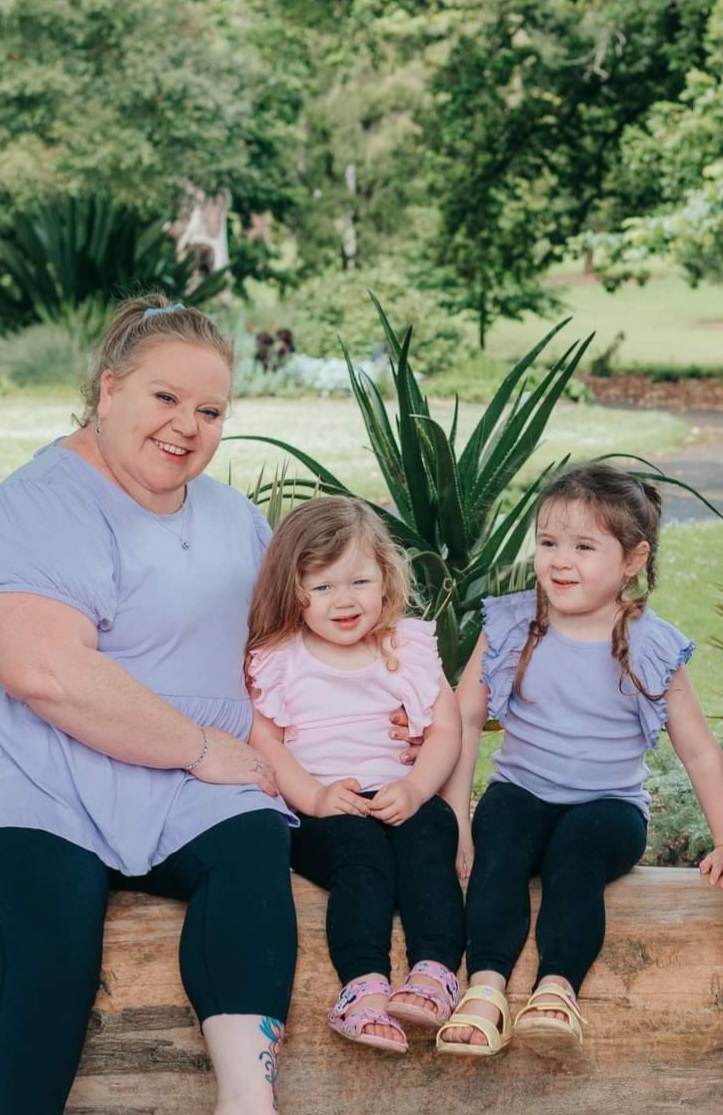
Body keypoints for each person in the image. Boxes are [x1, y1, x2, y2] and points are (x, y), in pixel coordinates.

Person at [0, 296, 299, 1115]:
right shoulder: (43, 501)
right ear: (108, 389)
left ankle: (248, 1099)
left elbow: (286, 649)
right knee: (49, 954)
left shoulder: (235, 517)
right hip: (49, 777)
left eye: (210, 410)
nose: (186, 426)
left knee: (251, 855)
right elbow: (42, 669)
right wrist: (199, 746)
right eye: (165, 397)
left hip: (194, 786)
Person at [437, 463, 723, 1057]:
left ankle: (556, 988)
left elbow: (698, 750)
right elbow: (462, 720)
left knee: (577, 850)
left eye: (584, 547)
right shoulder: (513, 623)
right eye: (548, 543)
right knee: (501, 839)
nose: (560, 561)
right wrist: (457, 819)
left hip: (608, 808)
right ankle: (485, 986)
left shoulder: (650, 644)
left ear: (633, 559)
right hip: (521, 792)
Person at [246, 496, 465, 1054]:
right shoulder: (281, 658)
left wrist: (416, 789)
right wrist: (315, 797)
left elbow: (445, 728)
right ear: (293, 590)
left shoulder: (405, 647)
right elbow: (265, 741)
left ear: (386, 579)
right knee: (361, 857)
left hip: (399, 794)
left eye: (359, 582)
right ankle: (363, 987)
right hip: (323, 810)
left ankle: (435, 972)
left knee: (430, 838)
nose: (343, 601)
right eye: (322, 587)